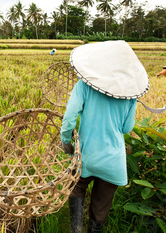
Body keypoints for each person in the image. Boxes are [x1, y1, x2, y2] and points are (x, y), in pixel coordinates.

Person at [60, 40, 149, 233]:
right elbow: (126, 128)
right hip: (113, 161)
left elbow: (69, 118)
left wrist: (65, 141)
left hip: (86, 156)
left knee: (76, 187)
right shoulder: (130, 96)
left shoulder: (84, 86)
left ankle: (75, 229)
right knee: (101, 206)